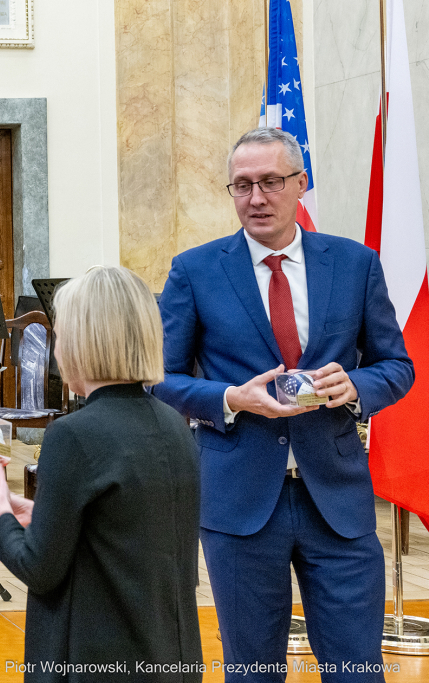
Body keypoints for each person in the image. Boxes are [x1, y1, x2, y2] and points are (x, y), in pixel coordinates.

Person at [153, 128, 414, 680]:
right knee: (253, 670)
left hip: (337, 503)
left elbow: (398, 366)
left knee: (356, 669)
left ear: (300, 183)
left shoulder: (354, 264)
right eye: (242, 185)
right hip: (239, 504)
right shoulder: (195, 270)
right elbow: (161, 377)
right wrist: (229, 398)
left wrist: (357, 388)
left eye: (271, 182)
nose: (256, 198)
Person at [0, 266, 204, 682]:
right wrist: (43, 513)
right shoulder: (173, 423)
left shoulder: (74, 435)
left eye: (62, 335)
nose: (55, 351)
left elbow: (38, 568)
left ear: (85, 342)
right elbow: (129, 531)